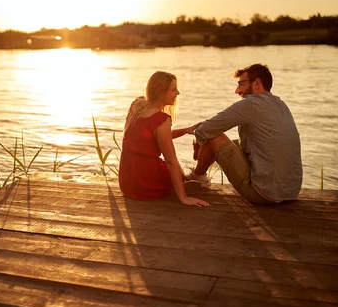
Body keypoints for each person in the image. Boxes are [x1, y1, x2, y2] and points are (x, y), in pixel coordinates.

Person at [188, 63, 302, 204]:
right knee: (227, 140)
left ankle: (196, 178)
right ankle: (198, 177)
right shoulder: (281, 104)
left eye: (241, 84)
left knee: (214, 136)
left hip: (263, 193)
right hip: (290, 192)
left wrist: (200, 143)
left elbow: (206, 129)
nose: (237, 90)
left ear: (257, 83)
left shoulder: (251, 103)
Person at [119, 71, 209, 207]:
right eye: (173, 89)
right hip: (147, 185)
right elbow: (171, 161)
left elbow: (149, 138)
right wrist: (184, 198)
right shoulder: (161, 119)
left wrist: (184, 131)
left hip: (128, 182)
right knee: (171, 159)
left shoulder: (136, 106)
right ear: (161, 92)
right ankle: (182, 186)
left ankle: (184, 181)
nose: (178, 93)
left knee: (168, 156)